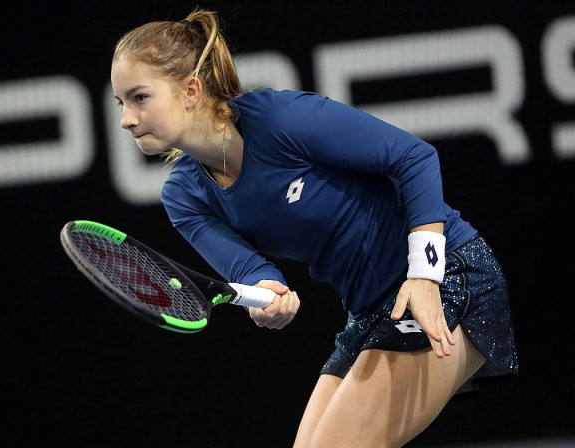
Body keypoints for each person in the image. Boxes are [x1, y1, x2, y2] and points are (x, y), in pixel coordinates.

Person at [110, 8, 518, 448]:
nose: (126, 119)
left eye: (139, 97)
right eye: (121, 103)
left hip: (449, 276)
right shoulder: (183, 197)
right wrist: (267, 299)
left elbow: (413, 158)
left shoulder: (282, 119)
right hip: (371, 312)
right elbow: (252, 271)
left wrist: (424, 273)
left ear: (191, 90)